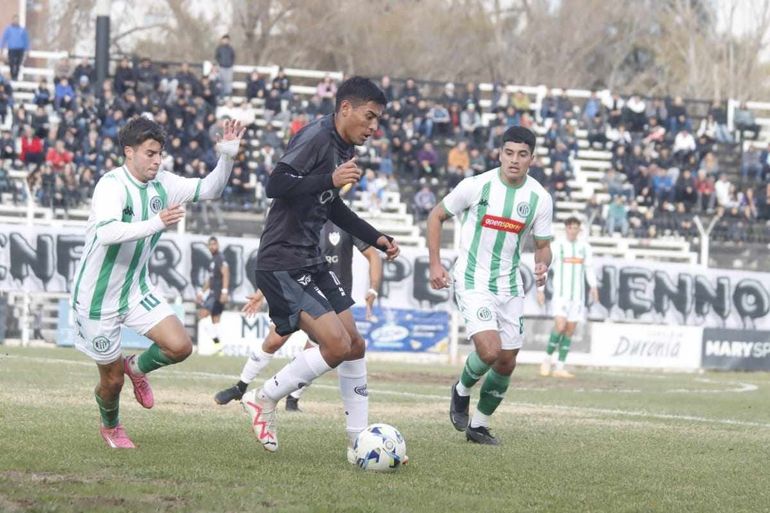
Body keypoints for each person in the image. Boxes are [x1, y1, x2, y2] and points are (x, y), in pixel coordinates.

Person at [239, 76, 399, 462]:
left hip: (310, 257)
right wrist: (330, 178)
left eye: (378, 120)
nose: (373, 127)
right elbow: (275, 184)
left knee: (355, 345)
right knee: (337, 346)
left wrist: (376, 238)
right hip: (283, 261)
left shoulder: (343, 148)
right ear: (345, 108)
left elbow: (331, 207)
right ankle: (264, 398)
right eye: (369, 116)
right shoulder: (315, 137)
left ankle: (359, 439)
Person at [70, 116, 245, 449]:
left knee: (179, 346)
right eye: (150, 153)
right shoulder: (111, 185)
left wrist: (227, 157)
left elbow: (211, 189)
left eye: (159, 154)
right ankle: (111, 427)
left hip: (135, 290)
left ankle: (137, 367)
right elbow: (107, 233)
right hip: (97, 299)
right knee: (111, 381)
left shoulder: (163, 183)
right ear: (129, 152)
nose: (156, 160)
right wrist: (157, 222)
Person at [427, 126, 553, 446]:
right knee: (490, 349)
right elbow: (436, 216)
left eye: (522, 155)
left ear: (531, 159)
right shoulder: (477, 185)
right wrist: (435, 263)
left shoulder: (539, 198)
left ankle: (479, 426)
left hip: (509, 286)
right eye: (508, 153)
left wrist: (543, 263)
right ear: (499, 154)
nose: (514, 160)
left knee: (507, 362)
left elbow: (543, 245)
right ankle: (461, 389)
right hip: (472, 280)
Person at [214, 218, 383, 411]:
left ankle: (291, 398)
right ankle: (241, 387)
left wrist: (373, 290)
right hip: (300, 291)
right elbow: (285, 262)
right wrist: (262, 293)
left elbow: (373, 254)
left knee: (322, 350)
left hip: (333, 300)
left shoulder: (343, 221)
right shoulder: (304, 219)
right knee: (274, 341)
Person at [537, 217, 598, 378]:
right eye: (570, 227)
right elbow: (545, 268)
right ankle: (547, 360)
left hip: (577, 298)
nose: (572, 230)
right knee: (560, 326)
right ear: (566, 229)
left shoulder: (585, 248)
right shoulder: (557, 246)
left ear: (580, 230)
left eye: (575, 228)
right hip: (561, 296)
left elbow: (589, 269)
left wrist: (593, 287)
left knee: (570, 330)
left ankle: (560, 367)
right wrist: (541, 289)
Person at [196, 236, 230, 345]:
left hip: (217, 293)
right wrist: (201, 292)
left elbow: (226, 273)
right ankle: (219, 345)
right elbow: (211, 279)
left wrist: (224, 291)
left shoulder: (220, 258)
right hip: (213, 292)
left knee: (202, 314)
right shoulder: (213, 260)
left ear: (218, 245)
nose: (212, 246)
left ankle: (216, 339)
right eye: (210, 244)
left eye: (214, 244)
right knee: (215, 319)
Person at [1, 15, 29, 80]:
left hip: (20, 49)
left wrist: (27, 49)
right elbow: (4, 38)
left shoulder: (22, 30)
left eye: (17, 19)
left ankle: (16, 76)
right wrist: (1, 48)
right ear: (12, 20)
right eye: (15, 19)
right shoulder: (8, 29)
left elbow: (26, 40)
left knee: (18, 63)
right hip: (12, 48)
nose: (16, 21)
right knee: (11, 62)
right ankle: (13, 75)